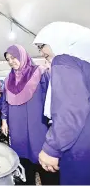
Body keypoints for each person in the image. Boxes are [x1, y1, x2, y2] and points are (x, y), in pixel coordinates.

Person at [33, 21, 90, 185]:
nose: (41, 51)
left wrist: (52, 148)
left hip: (80, 148)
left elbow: (70, 109)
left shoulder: (64, 60)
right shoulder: (84, 63)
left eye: (41, 45)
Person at [1, 44, 58, 185]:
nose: (11, 61)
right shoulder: (9, 79)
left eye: (14, 57)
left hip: (38, 124)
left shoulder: (40, 72)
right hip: (17, 126)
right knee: (23, 164)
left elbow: (51, 99)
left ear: (23, 56)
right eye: (8, 59)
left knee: (45, 164)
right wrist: (3, 120)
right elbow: (4, 101)